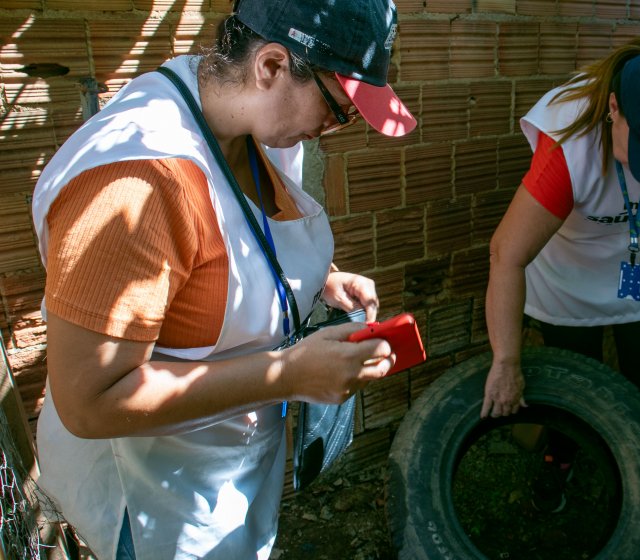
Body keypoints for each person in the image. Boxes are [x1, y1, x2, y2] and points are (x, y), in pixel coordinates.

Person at [30, 0, 417, 558]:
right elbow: (89, 402)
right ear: (272, 66)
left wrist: (318, 280)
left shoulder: (244, 118)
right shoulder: (135, 183)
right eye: (339, 109)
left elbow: (232, 239)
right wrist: (288, 374)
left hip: (225, 473)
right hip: (156, 506)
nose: (335, 129)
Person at [479, 38, 640, 512]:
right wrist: (506, 362)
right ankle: (561, 456)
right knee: (573, 376)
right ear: (614, 108)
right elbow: (505, 255)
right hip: (571, 266)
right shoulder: (569, 145)